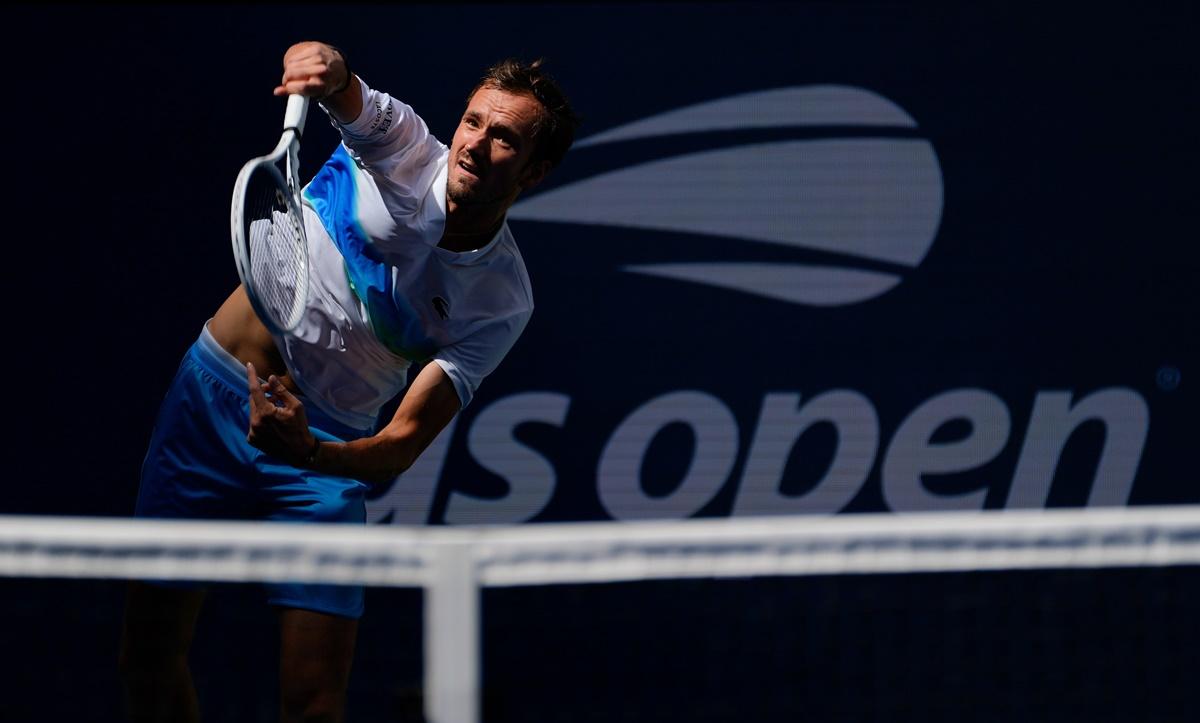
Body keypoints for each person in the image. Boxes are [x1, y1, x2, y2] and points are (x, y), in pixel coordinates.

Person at [118, 40, 579, 723]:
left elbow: (401, 443)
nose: (477, 144)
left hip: (323, 450)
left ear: (534, 172)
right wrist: (321, 66)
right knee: (149, 661)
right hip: (211, 399)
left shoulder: (502, 298)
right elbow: (343, 84)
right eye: (474, 121)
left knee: (313, 705)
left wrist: (311, 454)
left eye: (505, 138)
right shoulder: (401, 144)